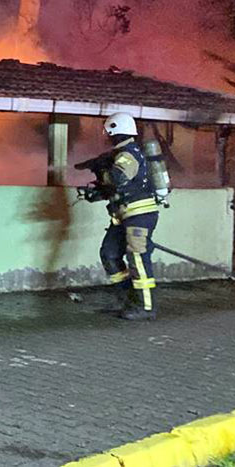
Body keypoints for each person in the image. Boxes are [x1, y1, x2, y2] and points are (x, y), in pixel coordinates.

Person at [74, 112, 160, 320]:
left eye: (107, 132)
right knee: (109, 254)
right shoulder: (120, 154)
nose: (106, 136)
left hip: (139, 215)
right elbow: (118, 187)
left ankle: (146, 307)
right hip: (124, 216)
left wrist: (101, 169)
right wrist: (98, 191)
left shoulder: (128, 154)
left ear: (114, 130)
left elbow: (118, 177)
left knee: (138, 258)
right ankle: (128, 301)